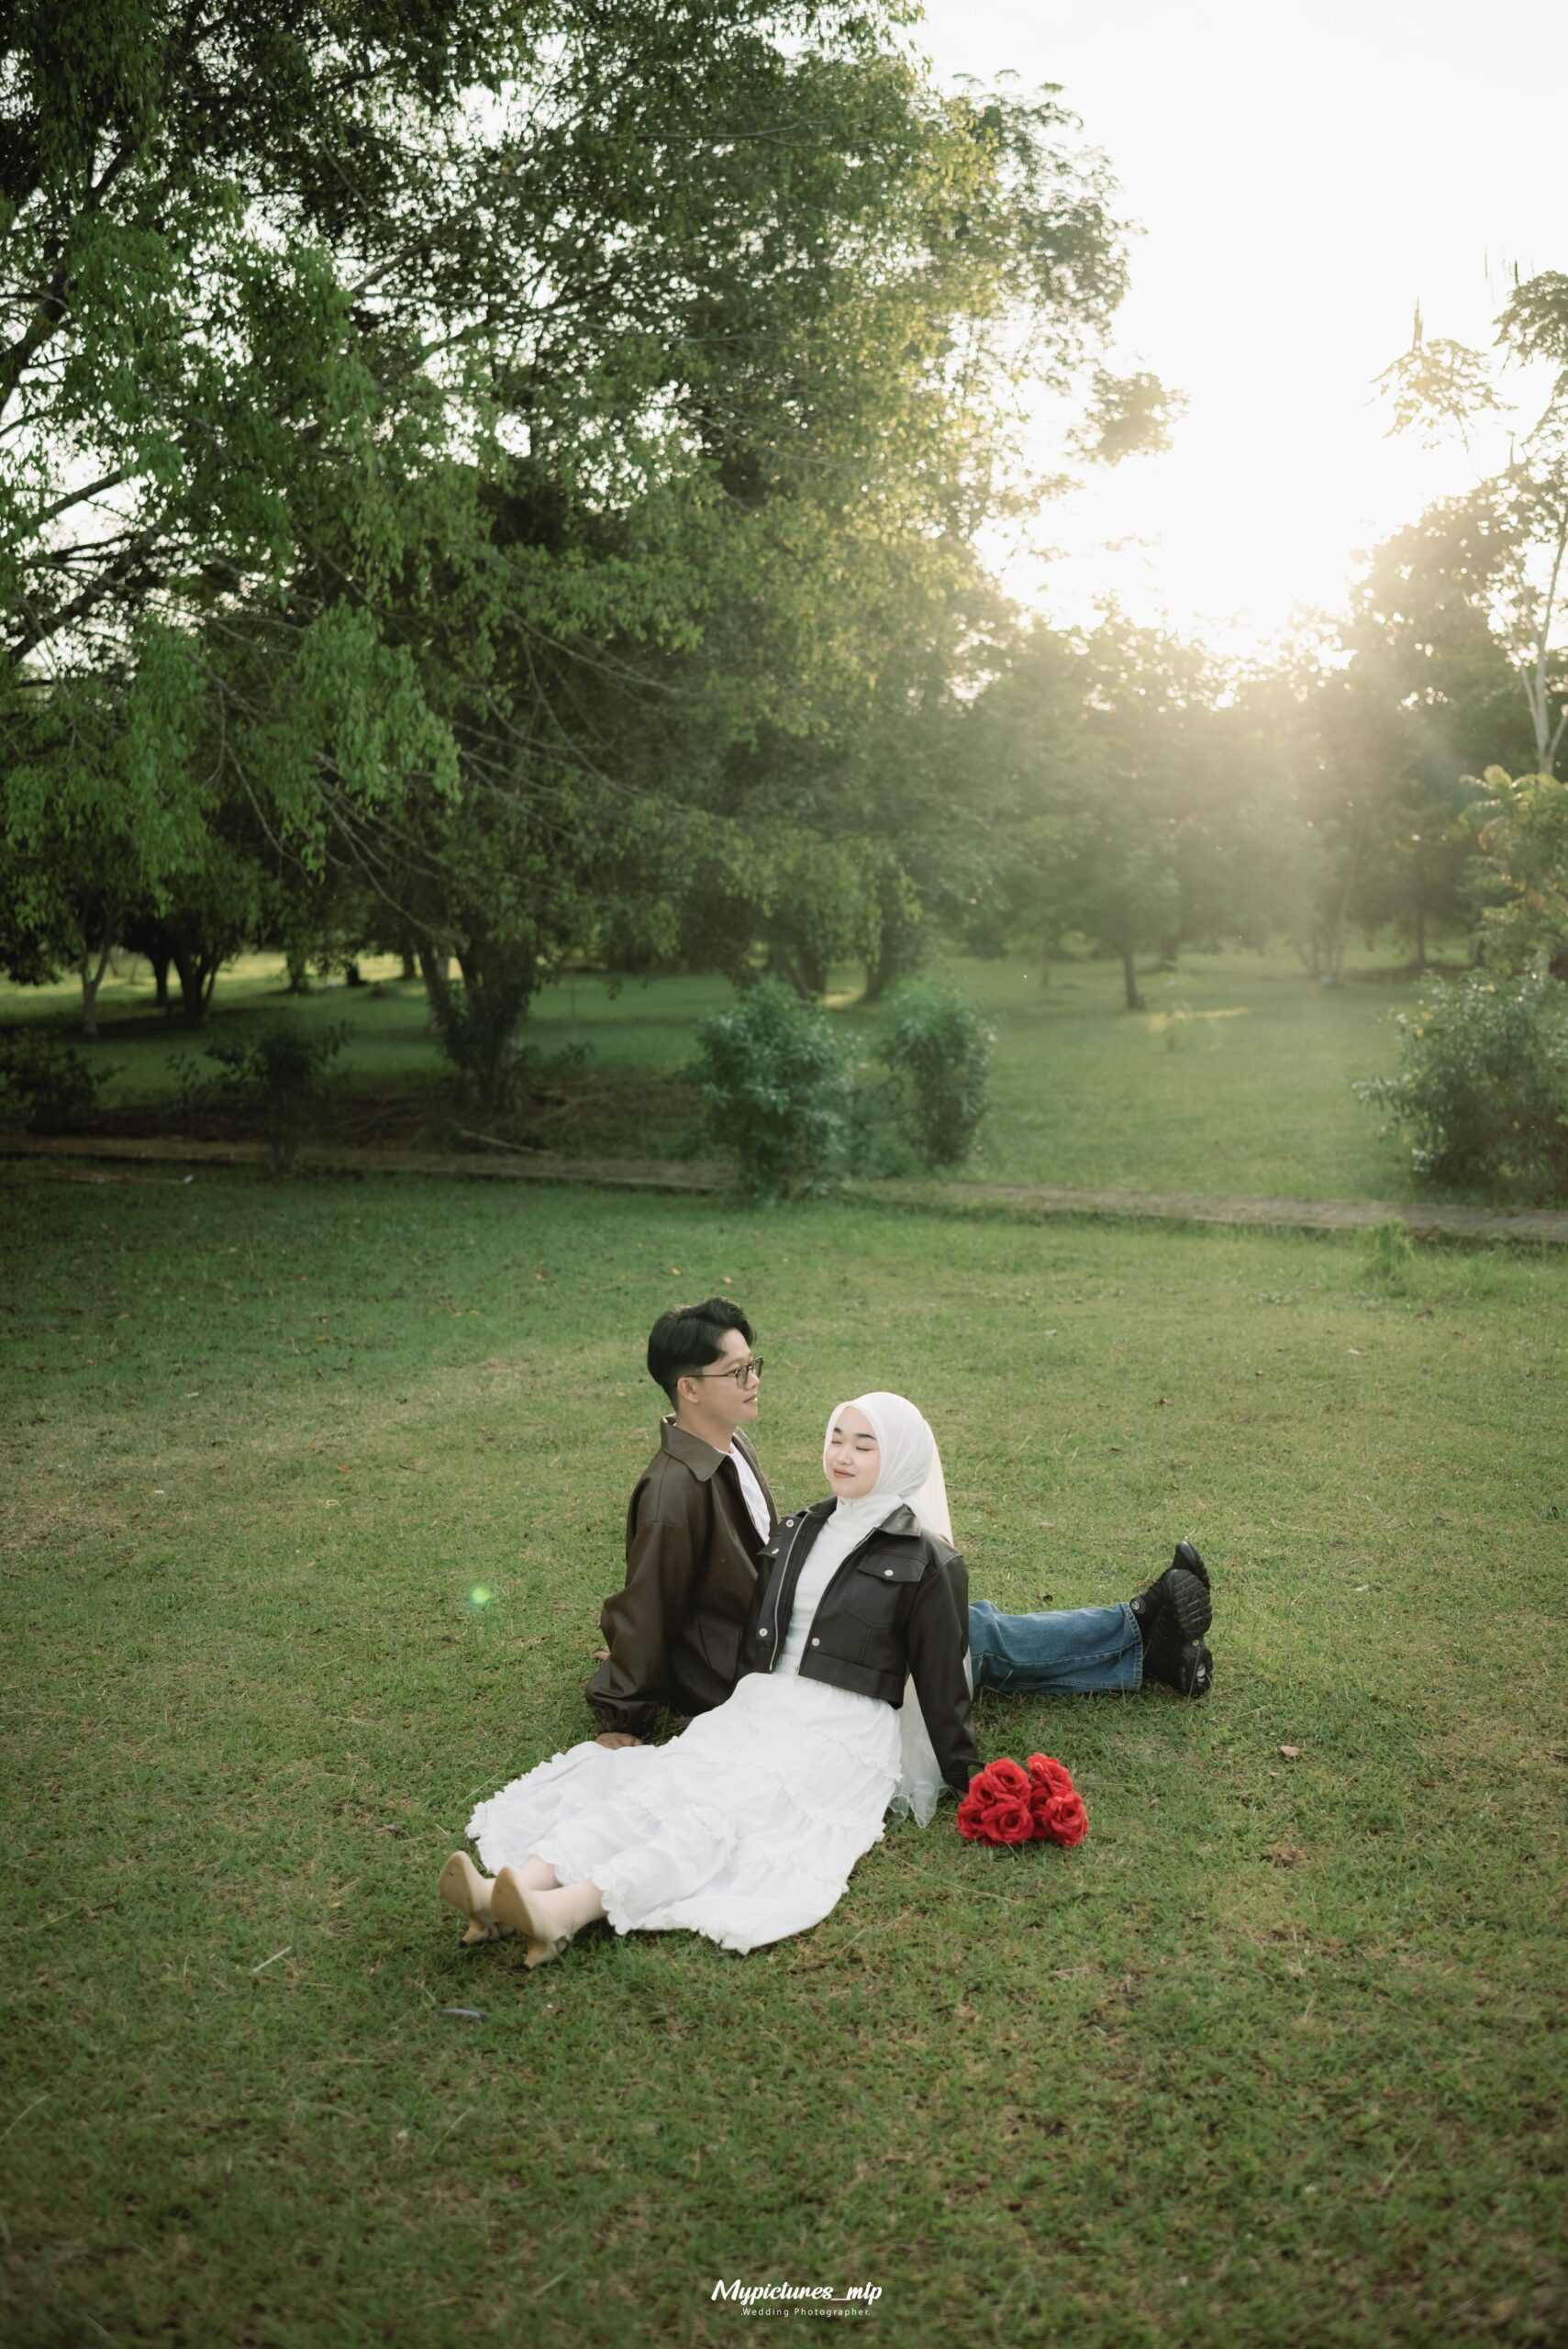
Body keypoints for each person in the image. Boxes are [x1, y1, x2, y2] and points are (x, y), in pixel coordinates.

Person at [439, 1392, 975, 1965]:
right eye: (836, 1439)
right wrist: (733, 1714)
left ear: (900, 1458)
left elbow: (943, 1685)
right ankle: (509, 1889)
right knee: (660, 1788)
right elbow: (757, 1640)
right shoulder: (800, 1529)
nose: (842, 1456)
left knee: (719, 1815)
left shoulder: (929, 1561)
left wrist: (971, 1781)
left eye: (864, 1446)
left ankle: (565, 1911)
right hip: (761, 1704)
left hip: (840, 1731)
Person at [585, 1299, 1211, 1757]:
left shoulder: (727, 1443)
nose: (754, 1382)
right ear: (689, 1389)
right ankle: (1137, 1625)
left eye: (755, 1366)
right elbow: (648, 1601)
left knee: (952, 1621)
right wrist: (622, 1711)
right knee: (963, 1633)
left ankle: (1143, 1648)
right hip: (764, 1662)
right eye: (737, 1373)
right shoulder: (673, 1490)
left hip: (784, 1619)